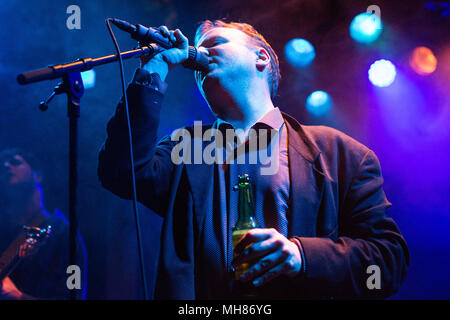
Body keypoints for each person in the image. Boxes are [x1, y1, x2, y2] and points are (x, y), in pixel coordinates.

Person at [98, 20, 409, 299]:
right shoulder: (185, 148)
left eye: (214, 44)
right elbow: (121, 172)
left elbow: (386, 260)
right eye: (197, 51)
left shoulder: (339, 153)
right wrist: (155, 70)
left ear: (261, 57)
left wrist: (301, 256)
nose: (198, 55)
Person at [0, 148, 87, 299]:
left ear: (38, 176)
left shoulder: (64, 236)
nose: (6, 166)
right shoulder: (4, 231)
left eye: (15, 162)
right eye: (2, 166)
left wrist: (17, 296)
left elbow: (75, 296)